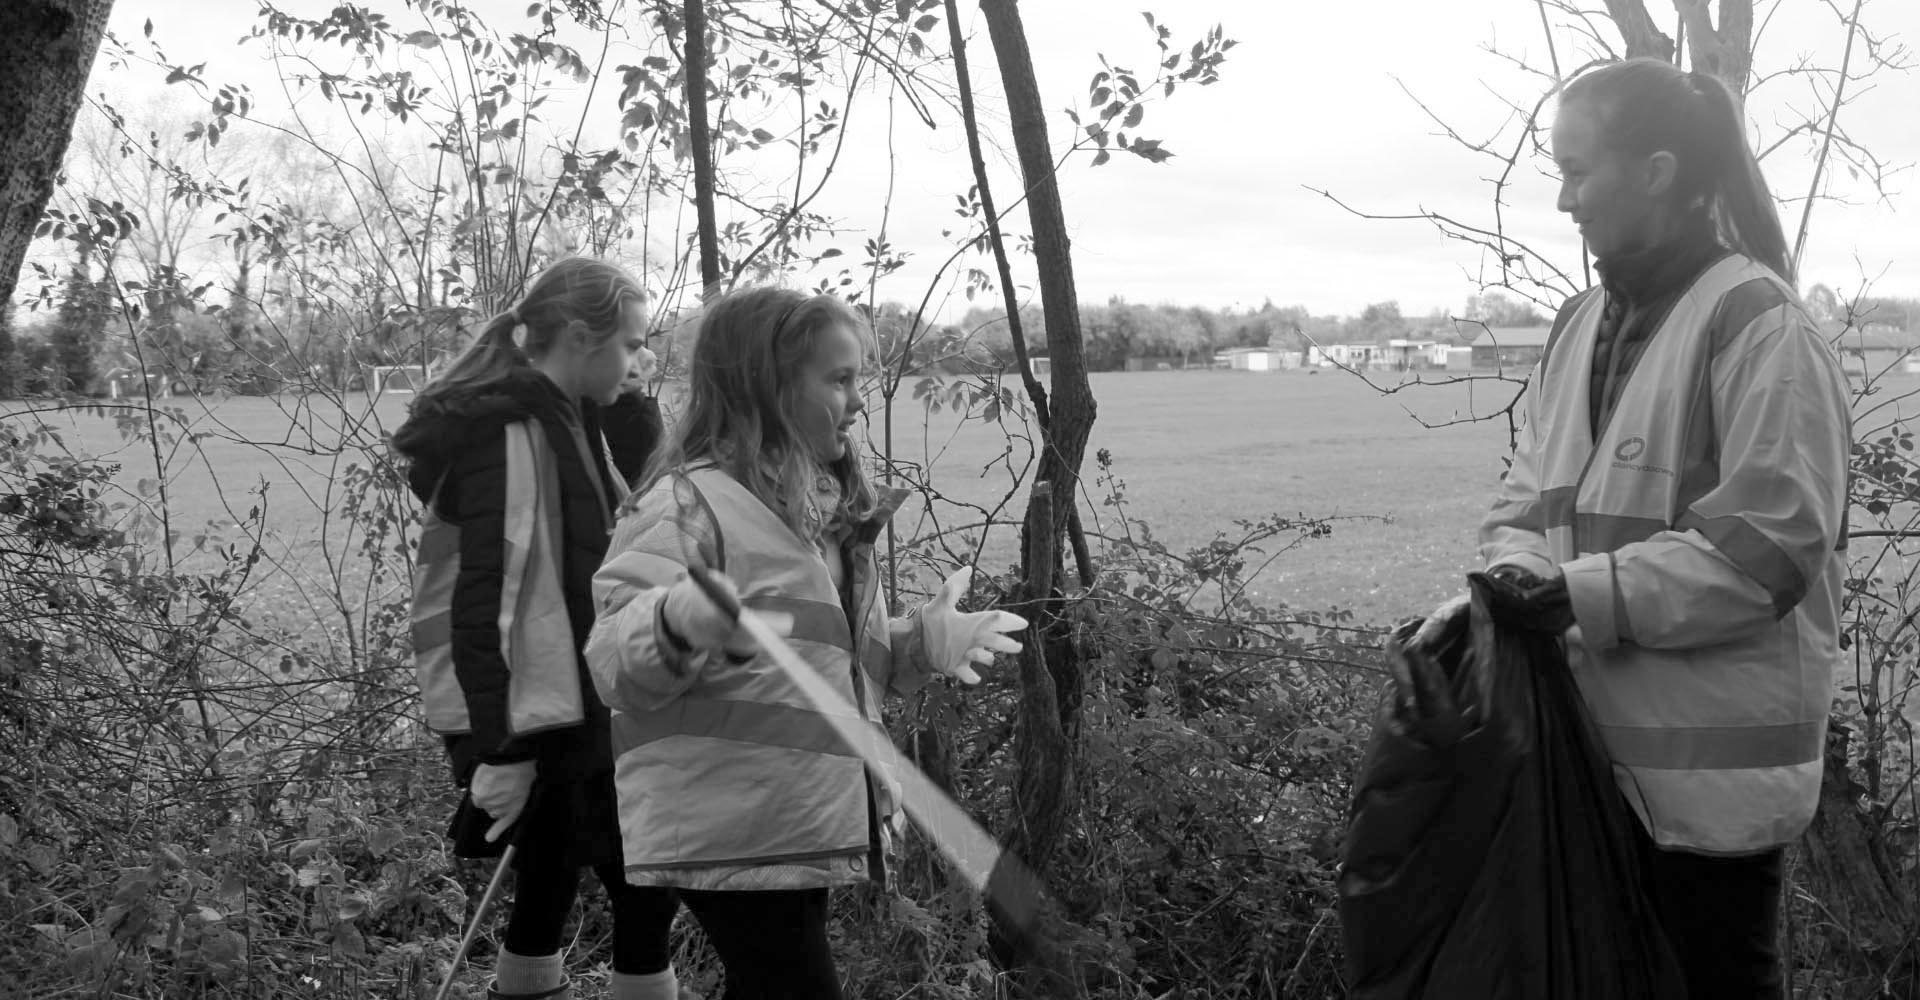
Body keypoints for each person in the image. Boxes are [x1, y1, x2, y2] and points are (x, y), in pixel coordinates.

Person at [1442, 58, 1851, 999]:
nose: (1562, 199)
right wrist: (1512, 570)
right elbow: (1526, 501)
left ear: (1658, 171)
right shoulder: (1580, 321)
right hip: (1584, 762)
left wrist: (1572, 594)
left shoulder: (1762, 325)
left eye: (1579, 171)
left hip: (1709, 801)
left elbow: (1767, 549)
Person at [582, 286, 1025, 999]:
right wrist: (676, 620)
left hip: (794, 814)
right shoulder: (685, 505)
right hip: (727, 817)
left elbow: (835, 662)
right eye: (839, 379)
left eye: (860, 379)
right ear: (768, 384)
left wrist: (921, 647)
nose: (857, 400)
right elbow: (613, 662)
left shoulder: (823, 511)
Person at [394, 257, 684, 1000]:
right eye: (631, 342)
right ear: (582, 338)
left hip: (568, 699)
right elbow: (488, 602)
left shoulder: (567, 418)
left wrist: (624, 414)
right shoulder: (512, 438)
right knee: (640, 868)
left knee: (570, 873)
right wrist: (501, 749)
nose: (642, 358)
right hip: (530, 712)